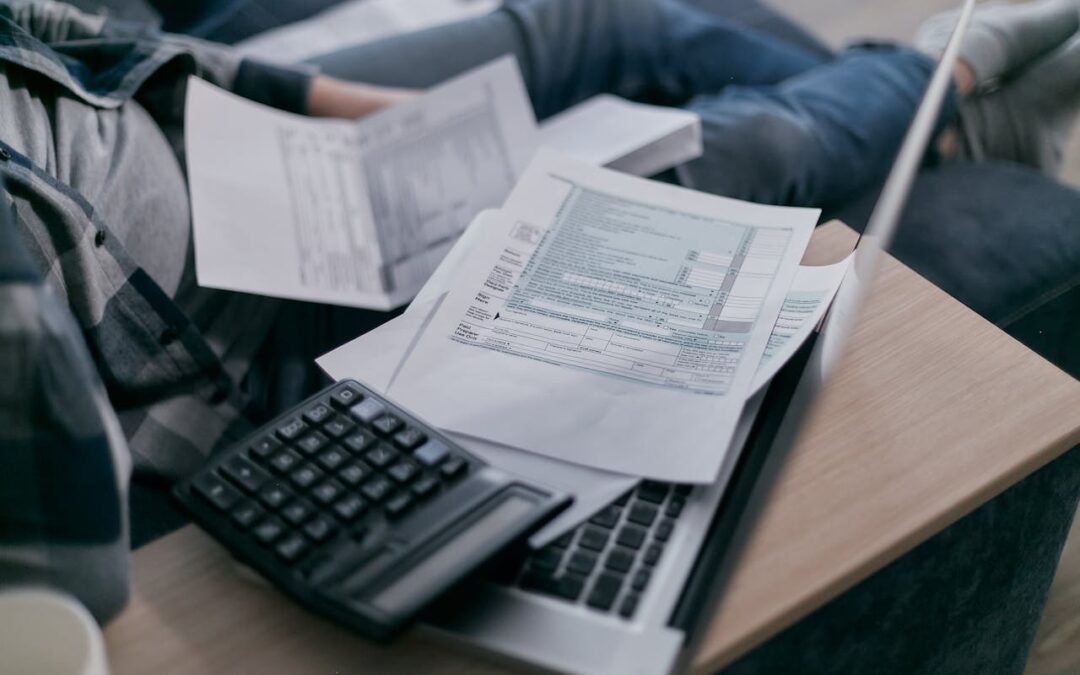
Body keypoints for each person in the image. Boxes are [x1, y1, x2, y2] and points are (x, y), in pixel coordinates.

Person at [1, 0, 1079, 625]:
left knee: (585, 19)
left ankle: (929, 119)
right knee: (743, 156)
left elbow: (59, 39)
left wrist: (348, 122)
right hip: (249, 353)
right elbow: (68, 577)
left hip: (244, 151)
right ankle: (947, 80)